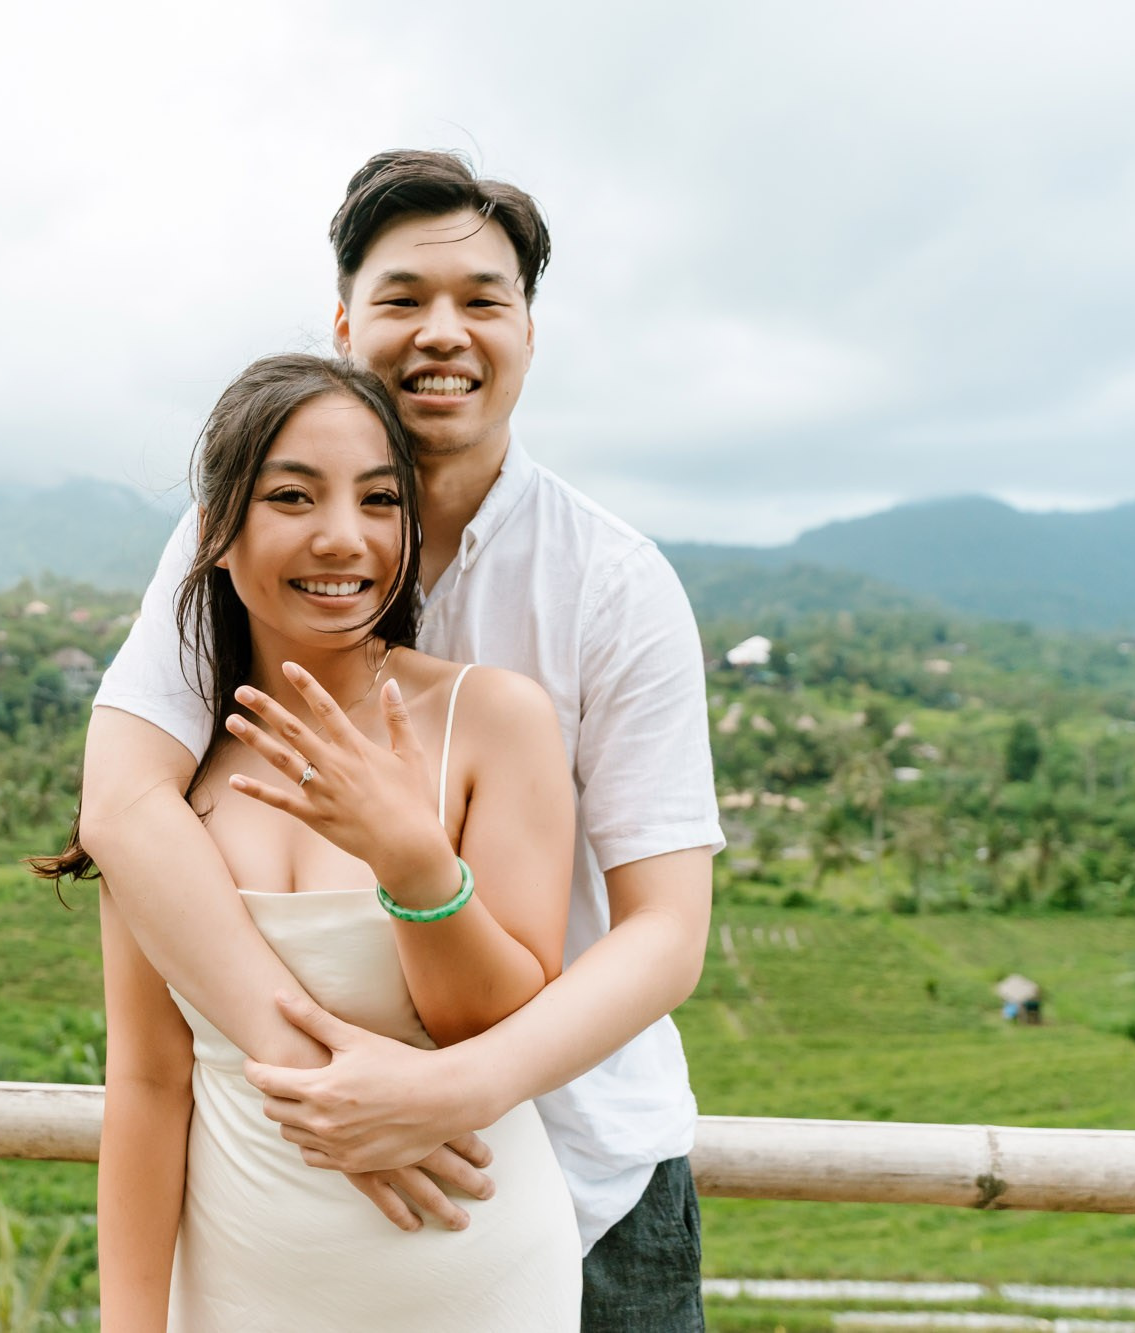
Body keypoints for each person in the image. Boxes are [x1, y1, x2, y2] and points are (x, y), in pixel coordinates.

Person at [81, 151, 722, 1330]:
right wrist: (334, 1088)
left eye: (483, 300)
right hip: (286, 1210)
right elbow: (124, 811)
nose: (443, 332)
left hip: (587, 1170)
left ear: (529, 332)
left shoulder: (610, 586)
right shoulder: (229, 539)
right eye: (401, 299)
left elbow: (667, 934)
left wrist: (441, 1091)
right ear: (342, 322)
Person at [35, 353, 582, 1329]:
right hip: (238, 1294)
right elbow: (152, 1083)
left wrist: (412, 861)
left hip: (477, 1277)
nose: (343, 537)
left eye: (379, 500)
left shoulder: (488, 719)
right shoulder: (165, 784)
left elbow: (485, 1027)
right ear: (213, 533)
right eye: (292, 495)